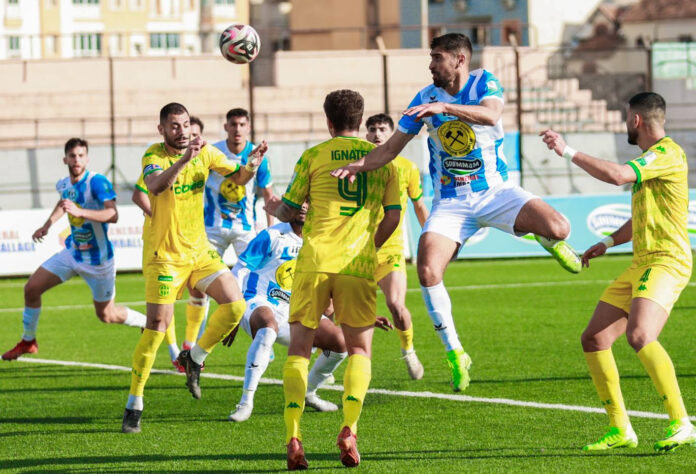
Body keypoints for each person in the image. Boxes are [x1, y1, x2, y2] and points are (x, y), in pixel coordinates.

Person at [331, 33, 582, 393]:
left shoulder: (484, 81)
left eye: (437, 58)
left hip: (495, 191)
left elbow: (492, 113)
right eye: (431, 59)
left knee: (560, 228)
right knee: (428, 270)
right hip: (450, 201)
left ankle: (546, 239)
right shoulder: (423, 98)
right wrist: (359, 165)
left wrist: (445, 109)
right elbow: (390, 150)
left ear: (460, 60)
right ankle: (456, 354)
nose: (431, 65)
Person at [541, 92, 696, 452]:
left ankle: (681, 422)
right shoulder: (651, 160)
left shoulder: (666, 153)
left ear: (636, 120)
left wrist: (567, 150)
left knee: (640, 335)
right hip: (642, 262)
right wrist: (608, 243)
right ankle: (621, 428)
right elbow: (642, 216)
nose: (626, 123)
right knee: (594, 338)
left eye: (627, 118)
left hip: (667, 259)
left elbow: (616, 176)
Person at [265, 89, 401, 470]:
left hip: (313, 262)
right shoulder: (385, 163)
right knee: (359, 351)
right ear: (360, 121)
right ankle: (349, 429)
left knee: (298, 351)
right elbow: (393, 217)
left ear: (328, 121)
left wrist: (276, 207)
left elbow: (289, 209)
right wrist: (369, 248)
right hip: (357, 266)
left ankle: (294, 436)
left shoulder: (313, 156)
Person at [121, 103, 268, 434]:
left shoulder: (206, 153)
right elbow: (155, 186)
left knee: (234, 304)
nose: (182, 131)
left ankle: (194, 357)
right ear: (162, 130)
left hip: (199, 251)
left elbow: (240, 178)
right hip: (165, 257)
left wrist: (253, 164)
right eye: (174, 126)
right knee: (156, 327)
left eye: (185, 124)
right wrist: (185, 160)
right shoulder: (154, 155)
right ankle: (135, 402)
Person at [2, 138, 147, 361]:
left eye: (81, 156)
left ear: (87, 158)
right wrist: (48, 225)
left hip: (98, 261)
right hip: (72, 253)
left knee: (107, 315)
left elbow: (113, 214)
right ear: (65, 159)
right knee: (31, 289)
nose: (76, 160)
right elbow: (64, 202)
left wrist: (81, 212)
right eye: (72, 156)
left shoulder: (97, 182)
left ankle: (145, 322)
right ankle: (28, 341)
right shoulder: (64, 184)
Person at [226, 202, 350, 422]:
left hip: (296, 310)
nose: (303, 206)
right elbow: (240, 269)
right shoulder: (271, 235)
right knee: (268, 327)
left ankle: (308, 393)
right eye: (299, 201)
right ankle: (245, 402)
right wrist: (233, 311)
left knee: (340, 342)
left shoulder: (320, 241)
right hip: (258, 301)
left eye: (308, 202)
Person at [132, 116, 206, 371]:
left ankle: (190, 345)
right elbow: (140, 192)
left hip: (194, 240)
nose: (188, 137)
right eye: (182, 129)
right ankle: (175, 351)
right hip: (164, 245)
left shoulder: (204, 158)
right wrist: (158, 215)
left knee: (200, 291)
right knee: (168, 303)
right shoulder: (157, 160)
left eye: (192, 132)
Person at [365, 113, 428, 379]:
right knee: (336, 308)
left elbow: (418, 205)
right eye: (372, 130)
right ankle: (329, 354)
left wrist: (430, 237)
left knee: (396, 305)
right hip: (357, 251)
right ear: (365, 134)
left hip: (391, 250)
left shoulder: (407, 168)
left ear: (391, 133)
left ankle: (408, 350)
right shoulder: (359, 165)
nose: (377, 134)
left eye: (382, 129)